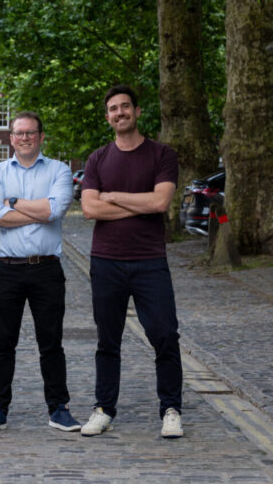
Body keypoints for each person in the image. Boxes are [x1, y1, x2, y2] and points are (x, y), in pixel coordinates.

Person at [80, 84, 183, 438]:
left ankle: (170, 409)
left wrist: (114, 197)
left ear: (137, 112)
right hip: (106, 262)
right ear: (108, 116)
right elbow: (90, 208)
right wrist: (136, 203)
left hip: (149, 261)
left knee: (165, 334)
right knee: (108, 341)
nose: (119, 113)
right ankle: (104, 409)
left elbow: (160, 204)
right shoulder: (97, 159)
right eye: (113, 108)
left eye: (125, 107)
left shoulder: (162, 155)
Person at [0, 111, 80, 433]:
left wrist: (15, 203)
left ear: (40, 137)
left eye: (30, 133)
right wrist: (38, 211)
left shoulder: (59, 170)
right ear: (11, 138)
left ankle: (59, 408)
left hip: (46, 269)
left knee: (51, 343)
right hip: (6, 270)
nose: (24, 138)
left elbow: (57, 209)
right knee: (2, 343)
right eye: (19, 133)